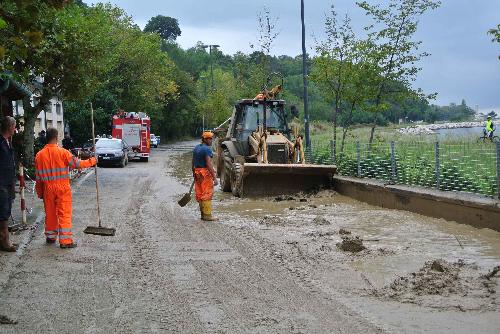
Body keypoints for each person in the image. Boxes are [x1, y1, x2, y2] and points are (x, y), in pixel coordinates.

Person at [35, 128, 96, 248]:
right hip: (62, 188)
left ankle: (51, 237)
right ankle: (65, 241)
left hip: (48, 188)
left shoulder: (39, 155)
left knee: (50, 214)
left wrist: (40, 193)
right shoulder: (63, 152)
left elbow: (38, 178)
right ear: (56, 137)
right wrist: (93, 160)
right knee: (64, 213)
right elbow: (78, 164)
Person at [192, 131, 218, 221]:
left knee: (200, 193)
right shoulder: (207, 149)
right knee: (207, 193)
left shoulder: (196, 148)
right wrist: (214, 177)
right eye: (209, 139)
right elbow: (208, 163)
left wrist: (193, 172)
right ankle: (207, 216)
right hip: (204, 173)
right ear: (205, 139)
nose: (211, 140)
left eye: (211, 138)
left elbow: (193, 161)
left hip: (197, 172)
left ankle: (203, 215)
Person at [0, 116, 17, 252]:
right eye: (14, 126)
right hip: (2, 182)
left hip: (8, 181)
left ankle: (5, 239)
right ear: (10, 127)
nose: (15, 129)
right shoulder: (1, 142)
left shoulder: (7, 141)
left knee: (6, 209)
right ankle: (5, 241)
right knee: (3, 212)